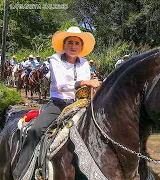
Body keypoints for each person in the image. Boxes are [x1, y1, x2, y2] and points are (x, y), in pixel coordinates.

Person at [13, 26, 100, 178]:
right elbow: (61, 85)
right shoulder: (55, 59)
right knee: (35, 131)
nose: (73, 46)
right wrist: (86, 81)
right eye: (70, 43)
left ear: (81, 47)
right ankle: (20, 173)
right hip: (58, 104)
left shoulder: (85, 63)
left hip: (80, 104)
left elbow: (87, 88)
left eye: (77, 43)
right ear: (64, 45)